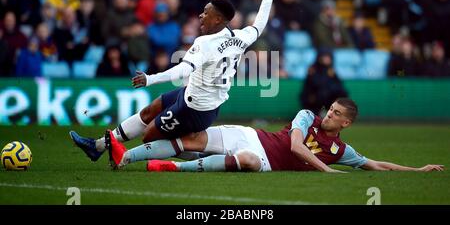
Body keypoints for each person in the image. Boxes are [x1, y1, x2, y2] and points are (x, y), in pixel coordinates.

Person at [70, 0, 282, 163]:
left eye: (206, 13)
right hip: (194, 97)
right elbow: (259, 24)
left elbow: (182, 70)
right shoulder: (240, 37)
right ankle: (98, 147)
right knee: (149, 111)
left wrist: (150, 79)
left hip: (196, 109)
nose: (200, 15)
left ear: (218, 20)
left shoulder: (205, 43)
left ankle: (202, 157)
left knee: (149, 136)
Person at [106, 98, 444, 173]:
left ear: (346, 124)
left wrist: (416, 171)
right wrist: (326, 171)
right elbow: (296, 147)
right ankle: (126, 155)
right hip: (252, 135)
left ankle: (172, 168)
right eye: (331, 109)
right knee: (192, 141)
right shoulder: (306, 116)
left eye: (337, 115)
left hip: (262, 159)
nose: (330, 115)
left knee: (248, 163)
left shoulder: (341, 149)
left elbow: (372, 164)